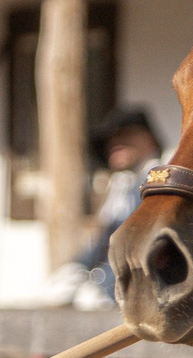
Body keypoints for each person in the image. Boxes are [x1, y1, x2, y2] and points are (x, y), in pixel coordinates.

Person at [42, 105, 164, 310]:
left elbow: (146, 245)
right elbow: (102, 241)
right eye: (112, 140)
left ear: (149, 139)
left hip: (139, 282)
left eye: (126, 137)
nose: (116, 145)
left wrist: (104, 283)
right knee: (57, 289)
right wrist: (78, 268)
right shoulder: (119, 184)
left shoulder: (158, 179)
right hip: (107, 277)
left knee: (88, 301)